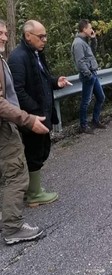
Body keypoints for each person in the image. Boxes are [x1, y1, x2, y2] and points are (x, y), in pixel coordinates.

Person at [8, 20, 70, 207]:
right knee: (34, 152)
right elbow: (18, 91)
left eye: (45, 36)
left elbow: (41, 79)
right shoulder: (18, 58)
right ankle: (33, 194)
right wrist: (34, 112)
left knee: (42, 150)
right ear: (28, 36)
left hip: (42, 114)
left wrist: (55, 82)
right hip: (33, 118)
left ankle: (33, 189)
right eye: (41, 36)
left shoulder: (36, 54)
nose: (45, 40)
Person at [0, 19, 49, 244]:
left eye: (5, 32)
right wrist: (27, 119)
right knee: (16, 175)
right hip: (4, 127)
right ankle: (12, 228)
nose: (4, 37)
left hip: (8, 122)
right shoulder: (17, 58)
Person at [71, 19, 106, 134]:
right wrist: (89, 75)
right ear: (84, 29)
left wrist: (93, 39)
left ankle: (95, 120)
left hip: (92, 73)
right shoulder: (78, 43)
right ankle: (83, 125)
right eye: (90, 28)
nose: (91, 29)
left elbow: (92, 54)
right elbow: (80, 62)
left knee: (101, 97)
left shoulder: (84, 41)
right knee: (86, 101)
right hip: (88, 75)